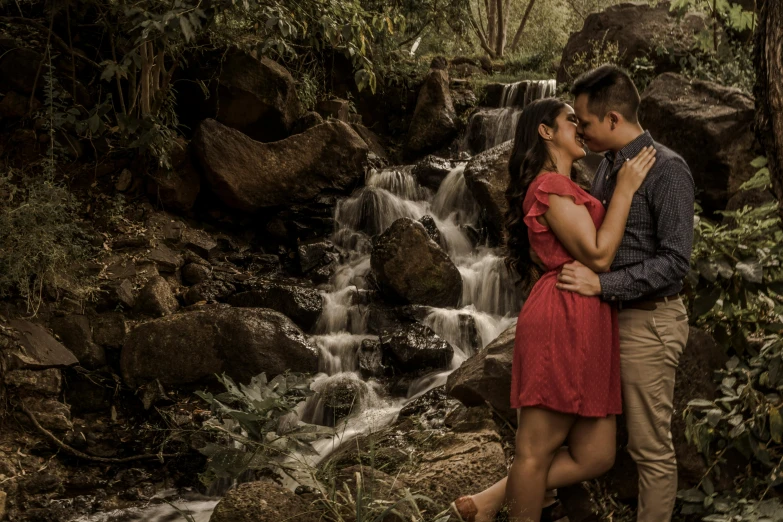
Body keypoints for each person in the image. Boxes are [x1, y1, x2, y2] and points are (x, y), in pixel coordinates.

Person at [451, 65, 694, 522]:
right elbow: (584, 246)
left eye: (583, 121)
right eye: (573, 122)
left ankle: (487, 502)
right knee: (548, 447)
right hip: (588, 315)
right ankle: (516, 505)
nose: (580, 129)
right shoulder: (600, 172)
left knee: (632, 450)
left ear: (613, 119)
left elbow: (676, 262)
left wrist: (603, 284)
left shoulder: (666, 169)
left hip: (641, 318)